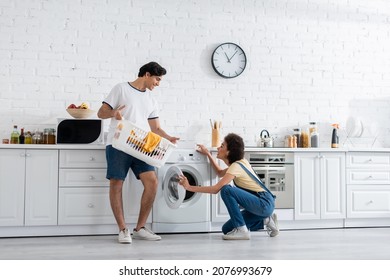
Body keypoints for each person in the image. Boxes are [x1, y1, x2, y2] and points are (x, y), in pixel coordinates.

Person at [97, 62, 179, 244]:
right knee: (116, 183)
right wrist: (114, 113)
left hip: (141, 145)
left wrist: (168, 138)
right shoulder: (121, 89)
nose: (158, 83)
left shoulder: (151, 100)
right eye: (157, 79)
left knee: (152, 182)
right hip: (118, 143)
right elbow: (101, 113)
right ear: (147, 74)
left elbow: (156, 128)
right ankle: (122, 229)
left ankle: (140, 228)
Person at [178, 133, 279, 240]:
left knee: (226, 190)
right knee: (227, 229)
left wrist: (189, 187)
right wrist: (207, 154)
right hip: (263, 204)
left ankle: (242, 230)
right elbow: (219, 172)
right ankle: (266, 220)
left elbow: (215, 189)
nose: (218, 148)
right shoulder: (239, 163)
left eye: (222, 146)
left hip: (263, 203)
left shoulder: (236, 166)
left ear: (229, 152)